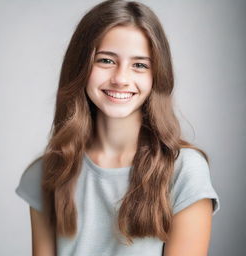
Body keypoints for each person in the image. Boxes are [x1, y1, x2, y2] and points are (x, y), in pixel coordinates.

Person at [15, 0, 220, 255]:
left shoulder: (184, 171)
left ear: (157, 76)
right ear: (80, 67)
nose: (121, 79)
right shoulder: (46, 173)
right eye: (106, 60)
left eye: (140, 65)